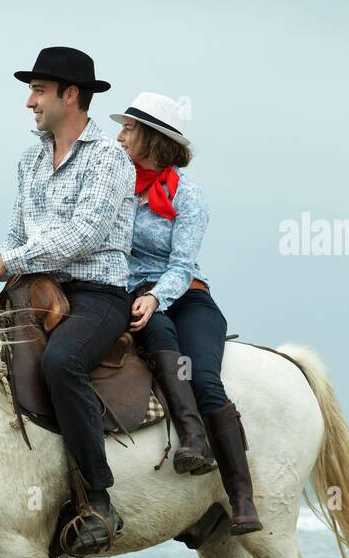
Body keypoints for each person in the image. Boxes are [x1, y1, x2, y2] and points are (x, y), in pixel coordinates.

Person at [0, 46, 136, 555]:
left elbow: (84, 234)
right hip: (36, 290)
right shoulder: (30, 159)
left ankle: (98, 501)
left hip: (96, 293)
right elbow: (19, 233)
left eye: (38, 91)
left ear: (71, 95)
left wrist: (6, 263)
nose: (29, 102)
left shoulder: (108, 158)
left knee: (63, 362)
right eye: (31, 91)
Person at [111, 92, 261, 534]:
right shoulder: (116, 187)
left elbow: (181, 264)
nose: (119, 136)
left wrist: (157, 296)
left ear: (153, 139)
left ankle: (242, 498)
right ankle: (192, 438)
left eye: (129, 129)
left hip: (186, 294)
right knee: (156, 335)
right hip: (131, 294)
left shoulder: (190, 198)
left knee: (206, 378)